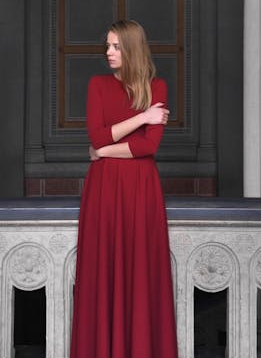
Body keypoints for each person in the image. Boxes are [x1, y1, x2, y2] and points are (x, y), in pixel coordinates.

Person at [70, 20, 179, 358]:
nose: (108, 52)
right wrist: (142, 117)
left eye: (116, 46)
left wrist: (103, 152)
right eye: (108, 45)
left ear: (132, 49)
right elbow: (97, 137)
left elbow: (148, 148)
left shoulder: (157, 86)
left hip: (141, 190)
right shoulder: (98, 85)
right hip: (103, 191)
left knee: (141, 274)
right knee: (102, 274)